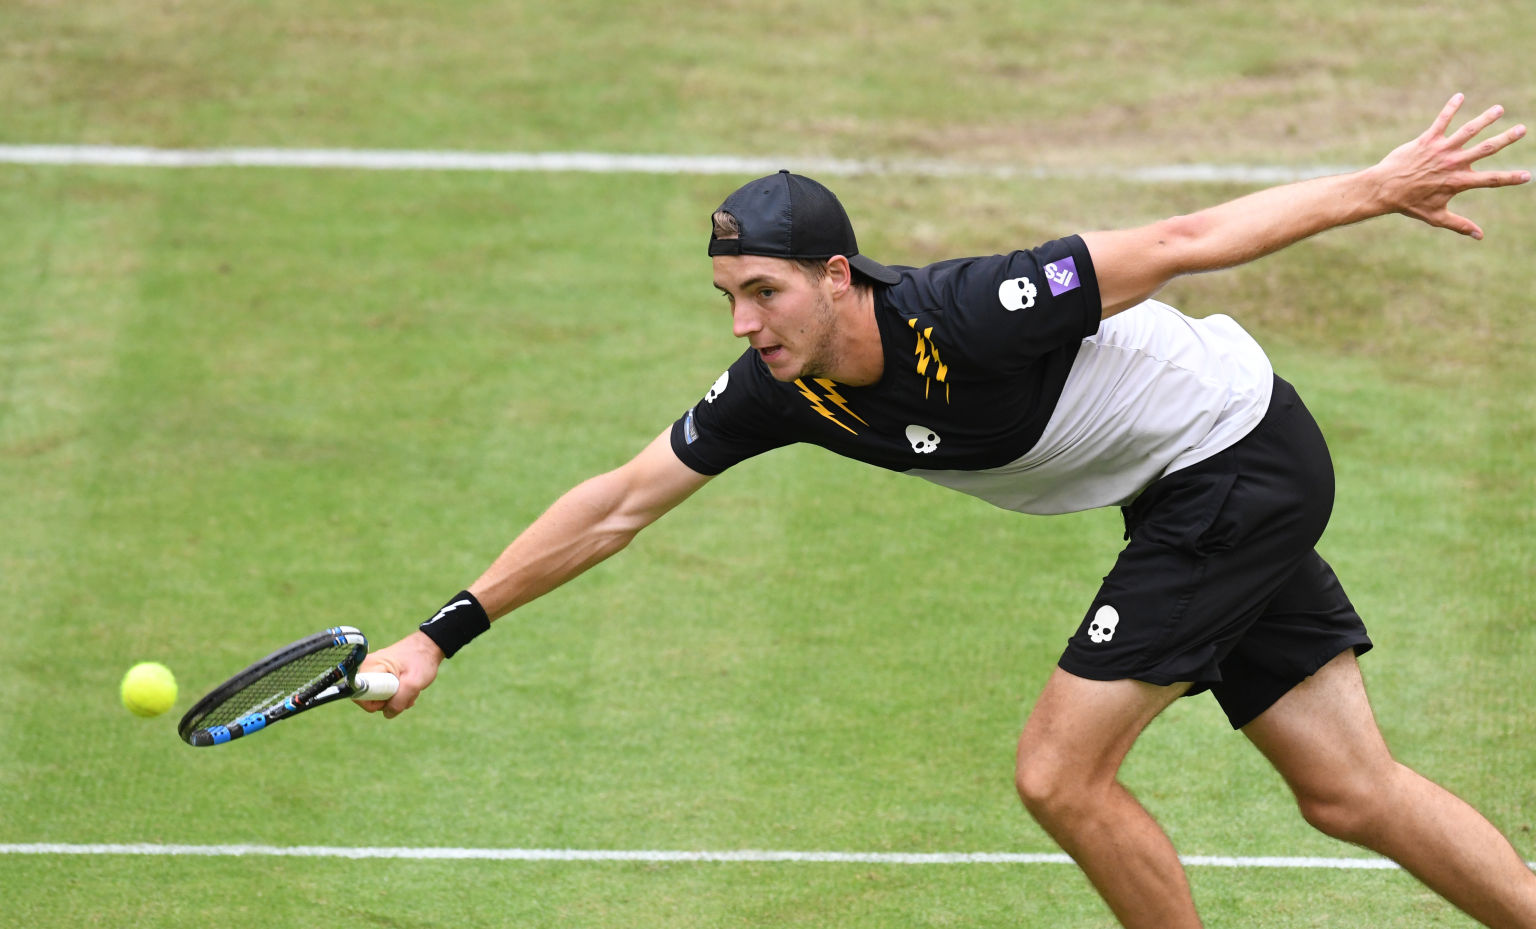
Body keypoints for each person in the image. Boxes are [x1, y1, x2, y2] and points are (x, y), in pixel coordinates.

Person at [358, 94, 1535, 928]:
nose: (741, 323)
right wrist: (439, 632)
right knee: (1347, 790)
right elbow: (617, 504)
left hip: (1228, 462)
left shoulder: (973, 310)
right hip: (1191, 482)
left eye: (761, 291)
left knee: (1057, 774)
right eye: (726, 296)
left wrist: (1377, 188)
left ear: (837, 275)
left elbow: (1184, 242)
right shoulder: (785, 388)